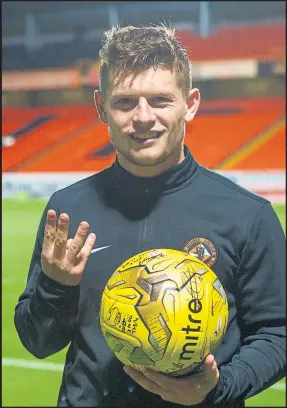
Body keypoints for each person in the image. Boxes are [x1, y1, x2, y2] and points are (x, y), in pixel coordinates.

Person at [14, 24, 286, 408]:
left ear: (190, 103)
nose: (143, 117)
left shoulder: (248, 216)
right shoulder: (68, 211)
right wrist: (55, 287)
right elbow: (37, 341)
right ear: (100, 106)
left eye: (160, 100)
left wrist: (217, 388)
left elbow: (278, 334)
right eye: (125, 102)